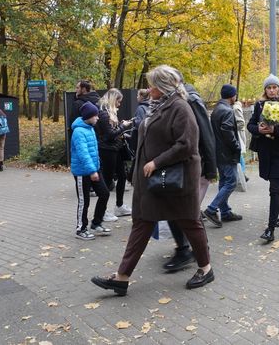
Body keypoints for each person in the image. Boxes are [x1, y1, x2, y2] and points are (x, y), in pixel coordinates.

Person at [91, 65, 214, 295]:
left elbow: (187, 144)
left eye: (152, 84)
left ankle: (206, 269)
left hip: (175, 180)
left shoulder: (180, 107)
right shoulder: (158, 106)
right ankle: (122, 277)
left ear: (164, 86)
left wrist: (157, 162)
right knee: (142, 223)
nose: (149, 88)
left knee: (190, 222)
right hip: (153, 180)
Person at [163, 79, 217, 273]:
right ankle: (191, 248)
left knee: (187, 210)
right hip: (177, 166)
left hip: (192, 166)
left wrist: (211, 167)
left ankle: (193, 249)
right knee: (181, 210)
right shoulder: (169, 101)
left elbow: (206, 134)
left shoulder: (190, 100)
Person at [247, 74, 279, 242]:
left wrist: (275, 131)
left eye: (275, 87)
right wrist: (259, 130)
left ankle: (270, 229)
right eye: (269, 87)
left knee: (274, 189)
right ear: (265, 90)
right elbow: (250, 125)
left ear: (278, 89)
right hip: (266, 152)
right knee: (277, 185)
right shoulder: (259, 105)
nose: (272, 90)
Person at [203, 84, 243, 227]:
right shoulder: (227, 110)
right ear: (232, 96)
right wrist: (236, 146)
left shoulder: (217, 109)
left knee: (224, 181)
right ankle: (212, 209)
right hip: (226, 152)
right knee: (231, 181)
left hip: (218, 152)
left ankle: (225, 212)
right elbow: (227, 131)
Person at [71, 101, 112, 240]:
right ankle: (81, 229)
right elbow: (83, 153)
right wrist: (92, 171)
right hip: (83, 172)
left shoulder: (90, 128)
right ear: (88, 116)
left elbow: (93, 151)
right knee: (84, 201)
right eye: (95, 115)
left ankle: (96, 223)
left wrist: (96, 168)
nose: (98, 118)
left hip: (94, 169)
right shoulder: (78, 131)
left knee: (104, 194)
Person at [95, 89, 133, 220]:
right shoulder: (104, 114)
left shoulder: (110, 113)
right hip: (107, 151)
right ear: (113, 99)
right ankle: (102, 212)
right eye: (118, 101)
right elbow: (109, 135)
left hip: (115, 149)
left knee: (122, 176)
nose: (119, 104)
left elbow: (112, 132)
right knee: (107, 180)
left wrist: (121, 129)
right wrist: (123, 127)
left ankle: (119, 206)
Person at [232, 99, 248, 178]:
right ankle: (242, 174)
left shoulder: (235, 108)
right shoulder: (234, 107)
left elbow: (241, 123)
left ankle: (242, 174)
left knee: (239, 154)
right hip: (237, 134)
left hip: (237, 134)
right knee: (239, 154)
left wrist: (230, 128)